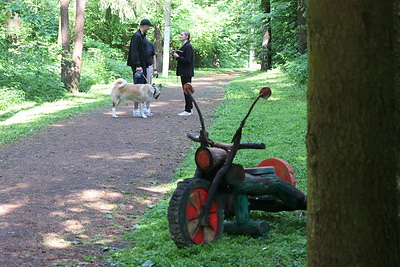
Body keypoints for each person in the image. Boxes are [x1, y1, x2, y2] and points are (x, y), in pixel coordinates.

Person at [127, 19, 153, 117]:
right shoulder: (136, 36)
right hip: (138, 67)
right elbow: (134, 52)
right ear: (144, 26)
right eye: (148, 26)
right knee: (137, 88)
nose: (149, 28)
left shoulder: (142, 37)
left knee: (143, 88)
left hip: (143, 66)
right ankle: (135, 110)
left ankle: (143, 109)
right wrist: (137, 65)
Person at [172, 31, 194, 116]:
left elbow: (188, 60)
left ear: (187, 37)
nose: (180, 36)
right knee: (186, 90)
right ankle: (189, 108)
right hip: (184, 72)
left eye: (182, 35)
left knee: (187, 90)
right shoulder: (185, 46)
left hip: (186, 72)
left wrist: (178, 57)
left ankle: (188, 110)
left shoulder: (188, 47)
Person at [144, 38, 158, 114]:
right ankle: (139, 108)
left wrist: (155, 69)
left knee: (148, 87)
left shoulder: (150, 45)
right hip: (140, 68)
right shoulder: (138, 45)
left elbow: (154, 57)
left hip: (149, 67)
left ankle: (148, 107)